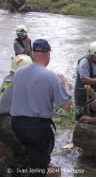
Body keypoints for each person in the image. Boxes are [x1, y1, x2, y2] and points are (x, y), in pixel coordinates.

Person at [10, 39, 72, 177]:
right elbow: (67, 105)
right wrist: (65, 84)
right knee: (39, 165)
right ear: (48, 54)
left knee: (23, 157)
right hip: (37, 128)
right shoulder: (51, 76)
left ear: (32, 53)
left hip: (16, 125)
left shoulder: (19, 72)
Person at [0, 54, 32, 176]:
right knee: (23, 152)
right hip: (5, 123)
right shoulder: (20, 82)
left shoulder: (8, 79)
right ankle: (12, 173)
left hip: (4, 118)